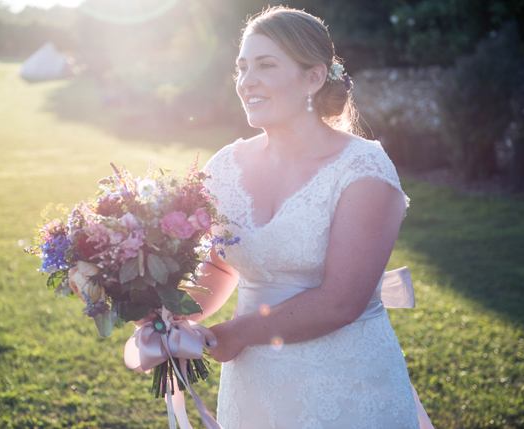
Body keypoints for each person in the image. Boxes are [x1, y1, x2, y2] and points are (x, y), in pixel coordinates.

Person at [185, 6, 433, 429]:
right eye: (242, 68)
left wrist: (238, 333)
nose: (247, 82)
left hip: (347, 382)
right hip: (254, 388)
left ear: (314, 77)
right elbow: (222, 262)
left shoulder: (363, 169)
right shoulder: (225, 165)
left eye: (266, 65)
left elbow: (342, 300)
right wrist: (166, 311)